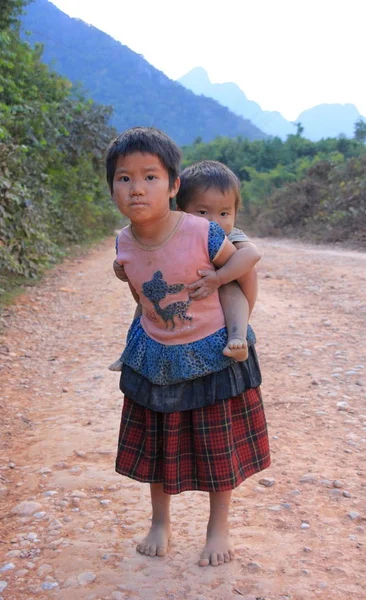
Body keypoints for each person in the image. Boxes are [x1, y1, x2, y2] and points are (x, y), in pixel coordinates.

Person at [106, 126, 270, 567]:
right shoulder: (123, 242)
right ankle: (160, 522)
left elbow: (242, 270)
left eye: (150, 177)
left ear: (174, 186)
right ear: (111, 188)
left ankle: (219, 527)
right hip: (157, 355)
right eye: (124, 178)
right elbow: (140, 295)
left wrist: (239, 321)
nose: (137, 188)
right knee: (159, 446)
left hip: (213, 354)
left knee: (218, 446)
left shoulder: (203, 231)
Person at [109, 162, 261, 371]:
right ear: (181, 211)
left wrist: (220, 277)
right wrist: (121, 268)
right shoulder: (181, 233)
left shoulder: (231, 235)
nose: (214, 221)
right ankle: (130, 353)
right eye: (202, 212)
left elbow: (252, 254)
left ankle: (238, 337)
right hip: (188, 295)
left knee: (230, 291)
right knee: (145, 306)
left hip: (224, 286)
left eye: (224, 214)